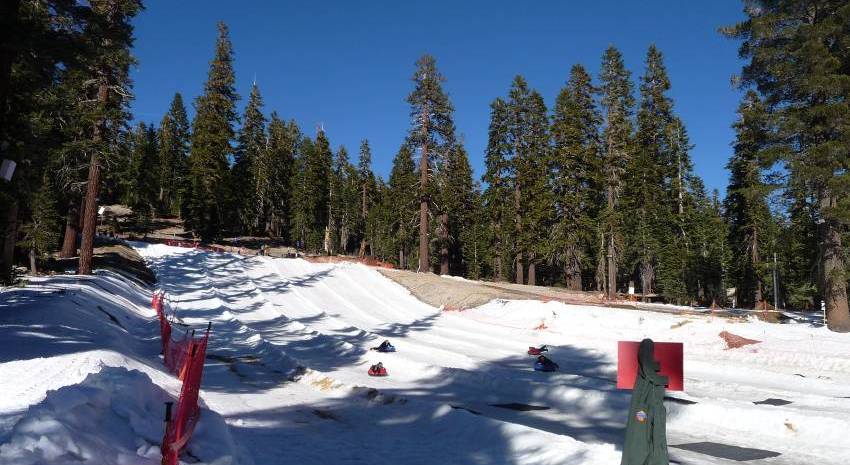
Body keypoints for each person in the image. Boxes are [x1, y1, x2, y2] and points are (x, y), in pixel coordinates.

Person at [621, 338, 669, 465]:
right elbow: (648, 369)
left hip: (650, 398)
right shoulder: (644, 377)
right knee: (642, 438)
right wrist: (662, 380)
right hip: (646, 400)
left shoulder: (644, 378)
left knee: (648, 438)